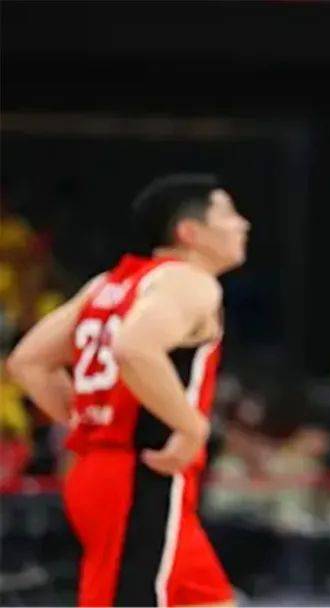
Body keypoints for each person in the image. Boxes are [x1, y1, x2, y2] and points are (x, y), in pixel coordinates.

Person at [6, 174, 249, 607]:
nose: (242, 224)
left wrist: (91, 419)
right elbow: (135, 347)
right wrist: (191, 428)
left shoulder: (108, 284)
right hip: (140, 474)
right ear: (190, 232)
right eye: (228, 215)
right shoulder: (189, 281)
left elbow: (29, 361)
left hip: (100, 469)